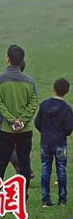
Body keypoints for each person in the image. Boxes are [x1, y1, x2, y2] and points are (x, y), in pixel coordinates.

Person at [0, 45, 38, 197]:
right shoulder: (30, 81)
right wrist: (22, 120)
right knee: (24, 164)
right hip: (25, 129)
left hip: (6, 129)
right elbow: (34, 103)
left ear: (8, 58)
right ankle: (23, 195)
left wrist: (11, 120)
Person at [34, 78, 73, 207]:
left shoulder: (44, 105)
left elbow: (37, 122)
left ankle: (45, 200)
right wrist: (62, 133)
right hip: (60, 143)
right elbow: (68, 128)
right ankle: (62, 200)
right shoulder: (67, 108)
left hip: (45, 142)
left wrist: (45, 131)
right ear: (67, 92)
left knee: (46, 169)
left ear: (53, 89)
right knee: (61, 169)